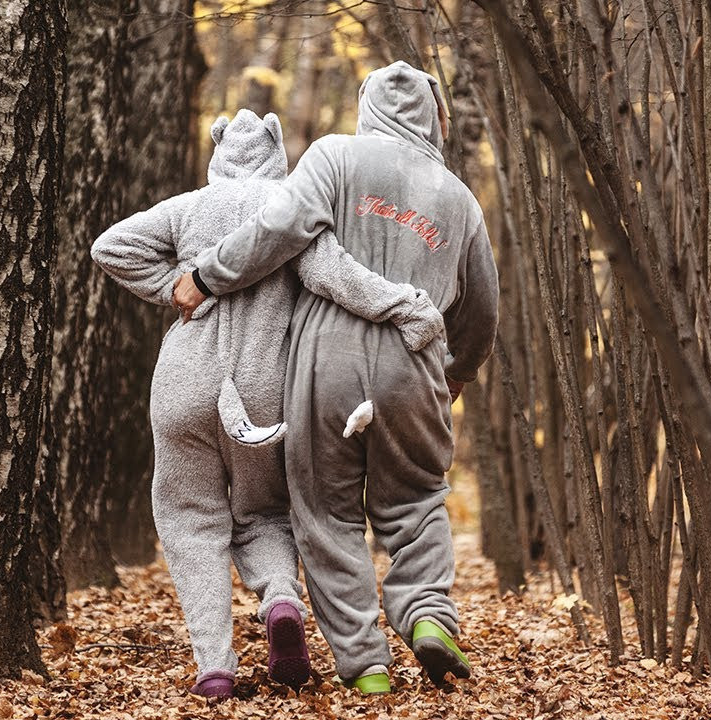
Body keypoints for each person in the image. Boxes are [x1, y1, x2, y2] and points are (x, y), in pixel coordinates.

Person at [90, 109, 445, 699]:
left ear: (218, 149)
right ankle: (281, 601)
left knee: (190, 521)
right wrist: (408, 307)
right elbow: (338, 276)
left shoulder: (188, 208)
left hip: (182, 386)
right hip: (264, 392)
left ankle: (215, 666)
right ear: (278, 148)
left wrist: (181, 286)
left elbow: (111, 247)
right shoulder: (291, 208)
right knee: (266, 511)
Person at [174, 61, 499, 693]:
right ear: (434, 117)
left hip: (328, 358)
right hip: (416, 362)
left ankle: (367, 667)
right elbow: (481, 315)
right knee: (416, 501)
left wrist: (210, 273)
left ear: (367, 106)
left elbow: (278, 230)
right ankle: (428, 617)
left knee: (326, 512)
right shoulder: (460, 198)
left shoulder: (333, 157)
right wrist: (453, 374)